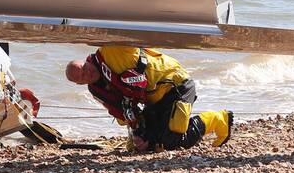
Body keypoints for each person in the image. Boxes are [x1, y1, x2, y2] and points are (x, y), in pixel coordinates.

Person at [65, 46, 232, 151]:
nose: (87, 73)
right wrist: (137, 134)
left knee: (176, 137)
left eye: (84, 68)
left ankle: (218, 119)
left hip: (176, 83)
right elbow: (123, 115)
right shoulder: (97, 90)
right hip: (154, 101)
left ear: (86, 61)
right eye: (82, 77)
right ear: (81, 84)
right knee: (145, 145)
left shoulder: (111, 50)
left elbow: (125, 28)